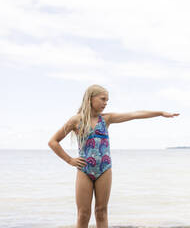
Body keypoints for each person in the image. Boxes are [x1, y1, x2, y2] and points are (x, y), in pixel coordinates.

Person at [48, 84, 179, 228]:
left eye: (107, 100)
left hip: (104, 169)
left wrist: (160, 113)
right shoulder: (76, 120)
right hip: (84, 170)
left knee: (101, 212)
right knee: (83, 214)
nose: (106, 103)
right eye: (103, 99)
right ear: (91, 99)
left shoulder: (106, 119)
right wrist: (70, 160)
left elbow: (134, 114)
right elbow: (53, 142)